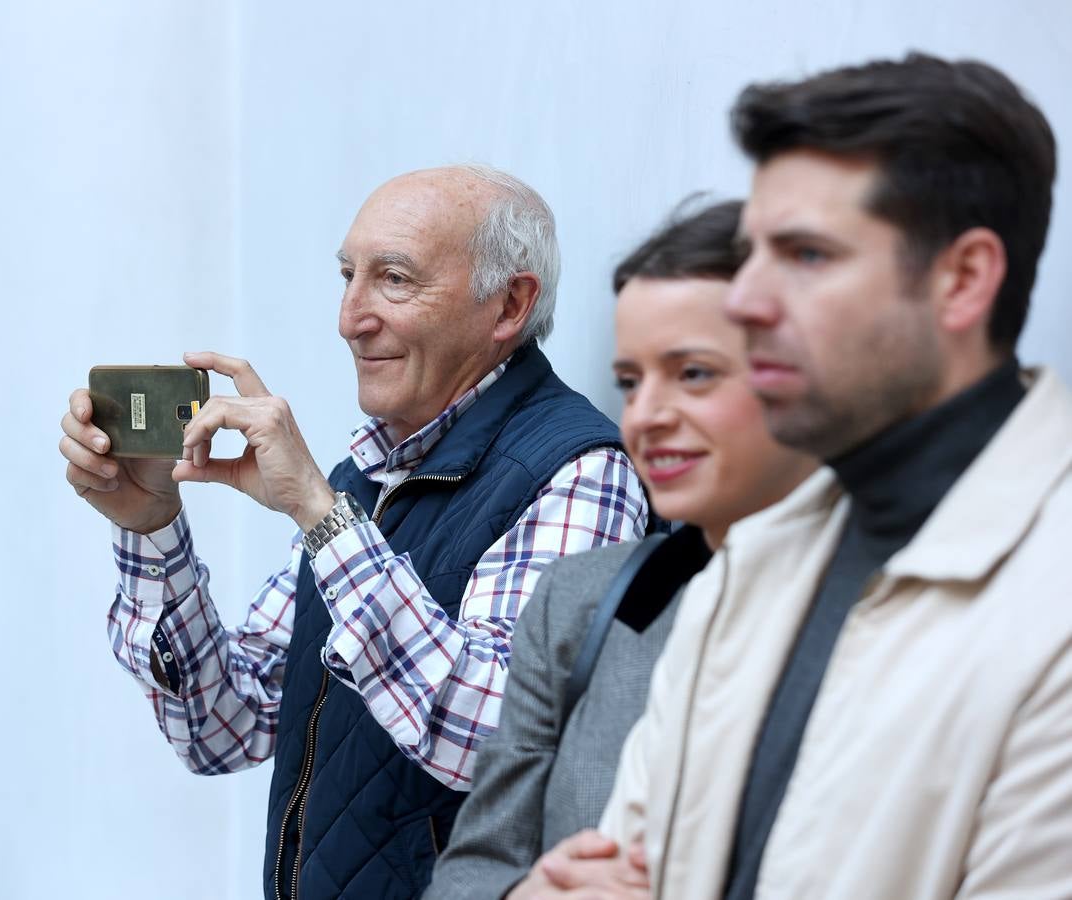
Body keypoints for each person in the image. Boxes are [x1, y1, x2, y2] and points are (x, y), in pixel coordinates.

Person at [59, 165, 649, 900]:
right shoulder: (365, 474)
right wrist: (152, 531)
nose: (350, 317)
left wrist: (320, 511)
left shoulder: (579, 471)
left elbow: (491, 743)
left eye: (394, 279)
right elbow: (224, 726)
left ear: (510, 304)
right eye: (348, 276)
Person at [598, 53, 1072, 900]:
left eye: (806, 254)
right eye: (751, 256)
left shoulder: (1052, 601)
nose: (745, 299)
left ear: (962, 278)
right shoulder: (750, 559)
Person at [424, 199, 817, 900]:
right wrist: (529, 895)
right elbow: (471, 868)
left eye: (693, 373)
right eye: (632, 381)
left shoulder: (899, 606)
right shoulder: (582, 599)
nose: (646, 415)